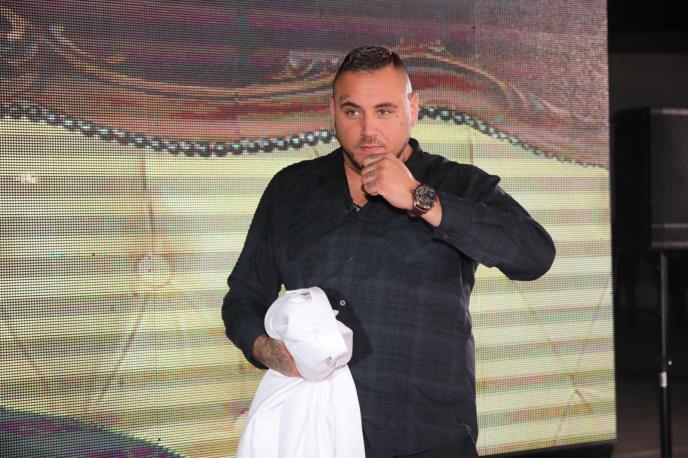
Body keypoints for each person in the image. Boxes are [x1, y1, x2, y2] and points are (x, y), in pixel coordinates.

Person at [222, 45, 556, 458]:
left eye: (384, 111)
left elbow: (534, 255)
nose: (368, 131)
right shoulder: (291, 189)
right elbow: (244, 296)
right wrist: (264, 347)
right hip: (316, 435)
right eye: (352, 112)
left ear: (412, 108)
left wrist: (420, 197)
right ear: (332, 110)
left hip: (428, 437)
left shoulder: (457, 184)